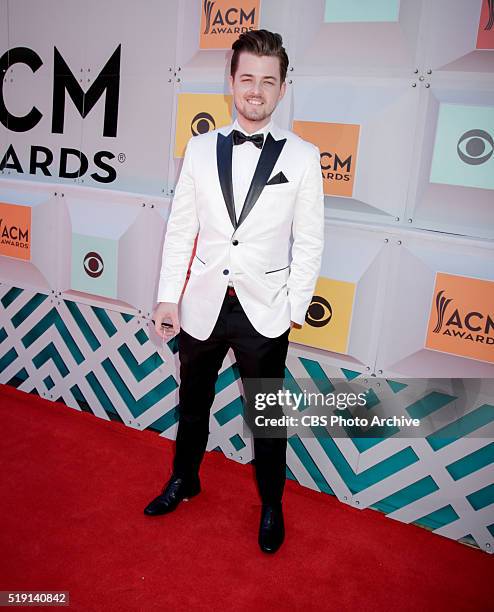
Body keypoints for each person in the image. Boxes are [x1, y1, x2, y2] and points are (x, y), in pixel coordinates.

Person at [144, 29, 324, 554]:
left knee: (266, 419)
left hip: (264, 312)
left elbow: (310, 240)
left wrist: (293, 306)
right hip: (201, 304)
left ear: (282, 88)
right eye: (247, 78)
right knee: (192, 402)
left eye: (268, 81)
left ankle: (272, 504)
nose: (256, 90)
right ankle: (185, 478)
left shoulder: (304, 156)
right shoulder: (198, 150)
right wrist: (167, 296)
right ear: (231, 82)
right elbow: (181, 229)